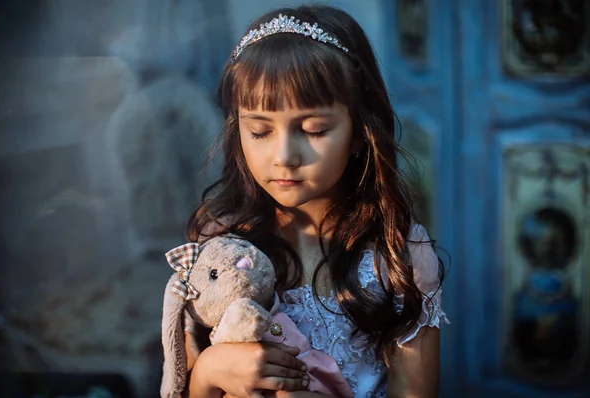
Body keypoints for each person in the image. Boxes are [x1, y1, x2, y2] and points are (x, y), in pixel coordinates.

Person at [180, 4, 449, 397]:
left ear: (359, 131)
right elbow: (183, 383)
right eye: (259, 131)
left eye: (314, 129)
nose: (284, 155)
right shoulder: (216, 244)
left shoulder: (399, 256)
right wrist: (208, 371)